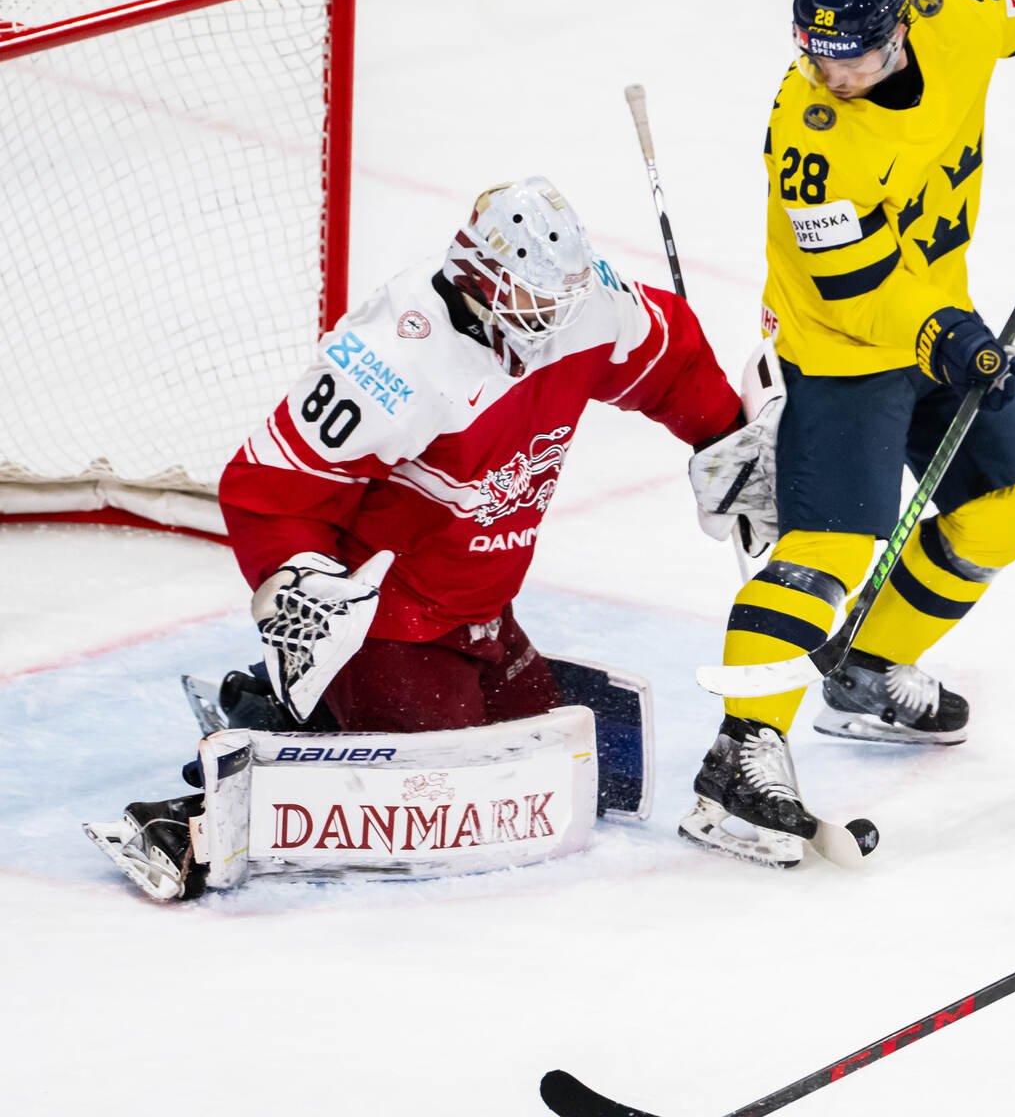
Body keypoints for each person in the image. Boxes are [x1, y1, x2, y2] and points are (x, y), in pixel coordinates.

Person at [680, 0, 1015, 867]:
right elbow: (854, 287)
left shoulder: (952, 11)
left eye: (852, 55)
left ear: (901, 30)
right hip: (841, 348)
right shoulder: (812, 136)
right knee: (833, 547)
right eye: (815, 54)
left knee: (1006, 514)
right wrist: (946, 338)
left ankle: (866, 668)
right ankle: (740, 751)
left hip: (939, 322)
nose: (831, 74)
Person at [87, 176, 742, 898]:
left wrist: (726, 439)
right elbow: (269, 484)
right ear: (480, 278)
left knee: (556, 774)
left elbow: (668, 356)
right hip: (386, 622)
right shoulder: (392, 360)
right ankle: (226, 784)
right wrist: (293, 578)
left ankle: (291, 711)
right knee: (447, 798)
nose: (556, 314)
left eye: (564, 293)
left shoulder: (585, 303)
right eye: (534, 297)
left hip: (480, 608)